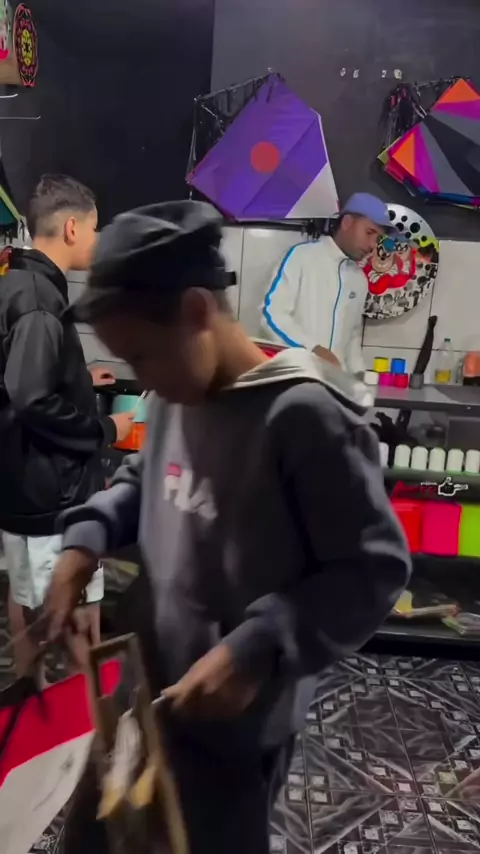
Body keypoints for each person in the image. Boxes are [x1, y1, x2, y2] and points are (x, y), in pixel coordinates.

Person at [46, 201, 411, 854]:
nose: (141, 379)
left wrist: (262, 644)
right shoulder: (174, 394)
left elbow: (373, 568)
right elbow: (144, 481)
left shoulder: (302, 418)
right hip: (149, 693)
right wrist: (87, 537)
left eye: (143, 355)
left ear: (196, 313)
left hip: (234, 729)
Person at [0, 174, 134, 676]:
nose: (96, 240)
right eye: (95, 229)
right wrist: (107, 429)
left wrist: (77, 377)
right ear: (73, 228)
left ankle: (30, 695)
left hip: (22, 483)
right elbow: (32, 398)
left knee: (25, 597)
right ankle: (83, 714)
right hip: (49, 491)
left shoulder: (16, 283)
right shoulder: (40, 302)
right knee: (73, 618)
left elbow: (20, 375)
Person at [261, 193, 397, 375]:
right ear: (347, 223)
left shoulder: (359, 279)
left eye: (378, 239)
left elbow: (352, 337)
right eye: (369, 232)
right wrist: (313, 349)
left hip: (335, 383)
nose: (373, 245)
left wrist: (358, 374)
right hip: (295, 377)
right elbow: (271, 315)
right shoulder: (301, 257)